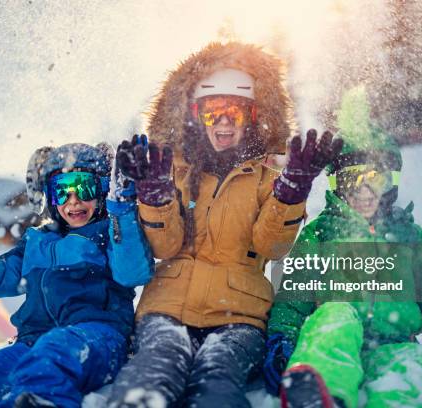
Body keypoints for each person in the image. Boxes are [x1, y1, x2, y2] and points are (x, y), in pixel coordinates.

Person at [108, 42, 342, 407]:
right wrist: (154, 197)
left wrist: (291, 193)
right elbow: (165, 248)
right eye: (212, 112)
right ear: (194, 115)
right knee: (155, 369)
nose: (223, 122)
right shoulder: (174, 170)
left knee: (217, 375)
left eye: (235, 111)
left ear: (253, 115)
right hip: (168, 307)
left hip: (240, 314)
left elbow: (272, 247)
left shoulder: (268, 178)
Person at [264, 87, 422, 407]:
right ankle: (321, 392)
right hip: (338, 331)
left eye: (375, 179)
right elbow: (294, 294)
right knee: (331, 320)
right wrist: (281, 340)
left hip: (395, 339)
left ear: (390, 183)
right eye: (352, 179)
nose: (365, 191)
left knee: (407, 367)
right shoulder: (321, 234)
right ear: (337, 184)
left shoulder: (409, 237)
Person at [0, 142, 154, 408]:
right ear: (49, 197)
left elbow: (133, 273)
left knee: (50, 356)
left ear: (101, 189)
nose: (73, 200)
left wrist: (121, 207)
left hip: (97, 339)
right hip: (33, 346)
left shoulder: (109, 233)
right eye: (61, 191)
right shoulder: (35, 242)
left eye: (83, 187)